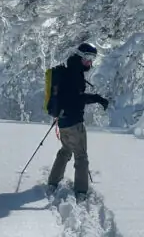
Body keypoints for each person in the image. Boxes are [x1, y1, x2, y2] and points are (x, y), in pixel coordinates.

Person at [46, 42, 109, 200]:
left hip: (63, 121)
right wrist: (97, 98)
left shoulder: (68, 71)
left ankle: (53, 182)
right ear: (80, 56)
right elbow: (77, 99)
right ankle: (81, 191)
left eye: (92, 58)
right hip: (74, 122)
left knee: (65, 151)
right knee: (81, 156)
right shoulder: (75, 75)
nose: (90, 62)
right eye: (87, 57)